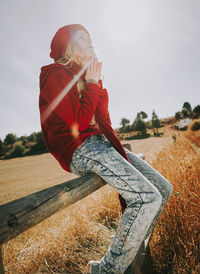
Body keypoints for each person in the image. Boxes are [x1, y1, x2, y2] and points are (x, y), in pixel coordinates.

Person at [39, 24, 173, 274]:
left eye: (90, 38)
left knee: (163, 189)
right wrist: (91, 84)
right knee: (147, 197)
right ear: (67, 46)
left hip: (99, 143)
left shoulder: (86, 76)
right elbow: (76, 126)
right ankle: (107, 270)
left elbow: (102, 121)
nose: (90, 41)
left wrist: (96, 83)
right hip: (78, 149)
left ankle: (135, 257)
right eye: (81, 38)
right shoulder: (56, 74)